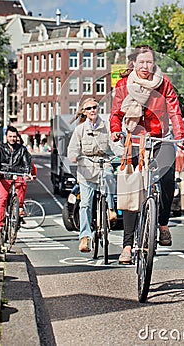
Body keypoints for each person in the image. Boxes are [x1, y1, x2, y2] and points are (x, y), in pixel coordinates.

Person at [110, 44, 184, 264]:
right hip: (134, 139)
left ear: (154, 63)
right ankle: (127, 245)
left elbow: (174, 111)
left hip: (159, 138)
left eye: (149, 62)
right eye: (141, 62)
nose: (146, 66)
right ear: (133, 63)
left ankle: (162, 224)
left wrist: (180, 137)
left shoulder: (164, 84)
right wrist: (116, 131)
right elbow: (116, 113)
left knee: (168, 179)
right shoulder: (124, 84)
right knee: (131, 189)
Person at [68, 98, 117, 253]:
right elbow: (73, 148)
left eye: (94, 107)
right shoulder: (80, 129)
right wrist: (74, 156)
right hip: (86, 167)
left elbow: (116, 145)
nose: (92, 110)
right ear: (85, 112)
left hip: (103, 162)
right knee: (85, 204)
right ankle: (85, 237)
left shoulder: (107, 127)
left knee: (109, 176)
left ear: (98, 108)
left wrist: (124, 154)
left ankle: (110, 208)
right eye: (88, 108)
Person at [0, 126, 32, 232]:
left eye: (14, 137)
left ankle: (19, 208)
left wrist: (28, 173)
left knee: (23, 184)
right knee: (2, 200)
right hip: (4, 176)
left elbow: (27, 163)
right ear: (6, 137)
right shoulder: (1, 148)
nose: (12, 139)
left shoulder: (22, 149)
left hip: (17, 174)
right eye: (10, 136)